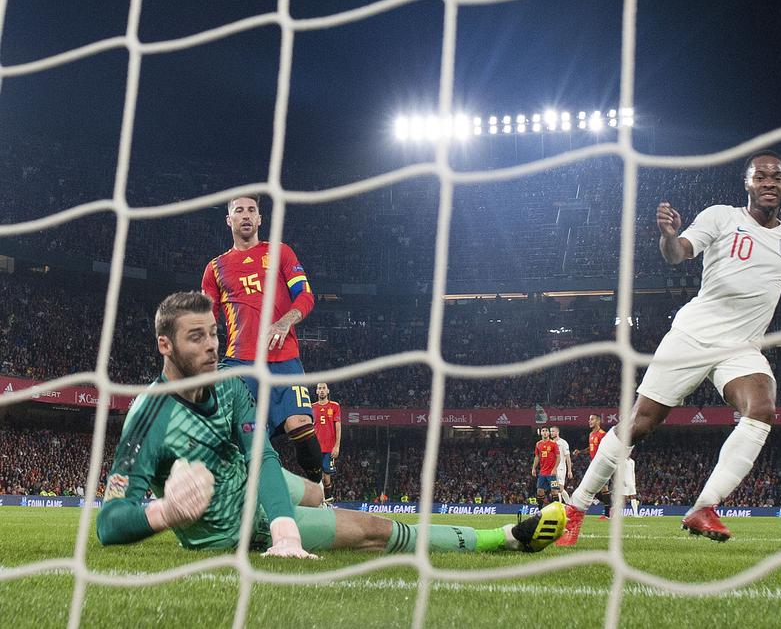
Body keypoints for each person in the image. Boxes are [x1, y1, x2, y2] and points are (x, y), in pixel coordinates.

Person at [96, 292, 565, 556]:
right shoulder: (148, 419)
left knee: (317, 490)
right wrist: (166, 512)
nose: (211, 346)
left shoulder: (230, 384)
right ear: (164, 346)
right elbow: (109, 523)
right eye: (196, 337)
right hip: (238, 525)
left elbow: (259, 454)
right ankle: (502, 537)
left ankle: (307, 508)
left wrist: (286, 527)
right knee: (372, 529)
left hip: (251, 475)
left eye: (214, 333)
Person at [557, 152, 781, 545]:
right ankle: (576, 508)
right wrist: (667, 237)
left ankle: (704, 507)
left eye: (777, 177)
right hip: (693, 335)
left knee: (762, 407)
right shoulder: (721, 216)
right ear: (747, 183)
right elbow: (679, 253)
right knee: (640, 423)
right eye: (760, 176)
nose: (768, 182)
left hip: (742, 348)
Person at [201, 195, 322, 484]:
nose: (245, 215)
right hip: (239, 364)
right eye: (238, 211)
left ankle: (320, 492)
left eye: (251, 210)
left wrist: (284, 321)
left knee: (300, 426)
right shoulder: (215, 268)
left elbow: (305, 296)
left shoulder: (281, 253)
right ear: (229, 220)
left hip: (283, 359)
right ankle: (246, 500)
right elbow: (206, 317)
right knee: (247, 439)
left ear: (259, 219)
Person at [312, 383, 342, 503]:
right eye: (319, 388)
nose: (322, 390)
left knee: (326, 478)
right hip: (315, 447)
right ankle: (318, 502)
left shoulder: (334, 406)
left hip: (329, 448)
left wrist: (337, 445)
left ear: (328, 391)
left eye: (324, 388)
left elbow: (338, 426)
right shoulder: (311, 407)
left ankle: (328, 500)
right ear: (316, 392)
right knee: (316, 476)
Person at [531, 427, 559, 509]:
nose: (545, 432)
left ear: (549, 433)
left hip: (551, 473)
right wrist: (533, 468)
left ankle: (556, 510)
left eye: (546, 431)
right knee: (539, 491)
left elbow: (558, 457)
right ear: (541, 433)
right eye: (543, 431)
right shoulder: (538, 444)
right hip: (542, 473)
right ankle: (540, 510)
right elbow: (537, 457)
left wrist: (554, 469)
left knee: (554, 491)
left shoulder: (553, 444)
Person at [549, 426, 573, 504]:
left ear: (557, 432)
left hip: (561, 468)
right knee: (555, 488)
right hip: (553, 469)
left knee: (559, 488)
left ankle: (565, 505)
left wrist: (569, 470)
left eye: (553, 431)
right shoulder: (550, 443)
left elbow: (568, 457)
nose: (551, 433)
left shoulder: (563, 443)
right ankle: (570, 505)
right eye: (551, 431)